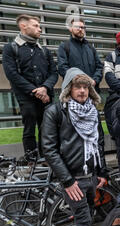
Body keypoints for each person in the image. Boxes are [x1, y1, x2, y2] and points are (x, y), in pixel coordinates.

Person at [41, 68, 107, 226]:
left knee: (90, 213)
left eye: (85, 86)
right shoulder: (55, 111)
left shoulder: (92, 112)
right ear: (69, 89)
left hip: (91, 176)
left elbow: (99, 143)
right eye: (77, 86)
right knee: (83, 220)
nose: (82, 91)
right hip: (73, 179)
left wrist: (102, 172)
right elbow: (48, 148)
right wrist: (68, 181)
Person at [3, 14, 58, 156]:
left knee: (47, 128)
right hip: (26, 97)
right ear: (23, 26)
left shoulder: (44, 50)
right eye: (36, 26)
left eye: (39, 26)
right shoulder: (11, 48)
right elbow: (12, 74)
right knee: (29, 128)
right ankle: (31, 160)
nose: (40, 29)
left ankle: (47, 159)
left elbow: (54, 73)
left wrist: (45, 88)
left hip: (46, 96)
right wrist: (35, 91)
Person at [58, 18, 103, 94]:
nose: (80, 29)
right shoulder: (64, 47)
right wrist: (79, 81)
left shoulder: (91, 48)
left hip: (92, 90)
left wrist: (95, 80)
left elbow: (99, 66)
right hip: (74, 91)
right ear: (70, 29)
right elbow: (62, 68)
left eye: (82, 27)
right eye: (77, 27)